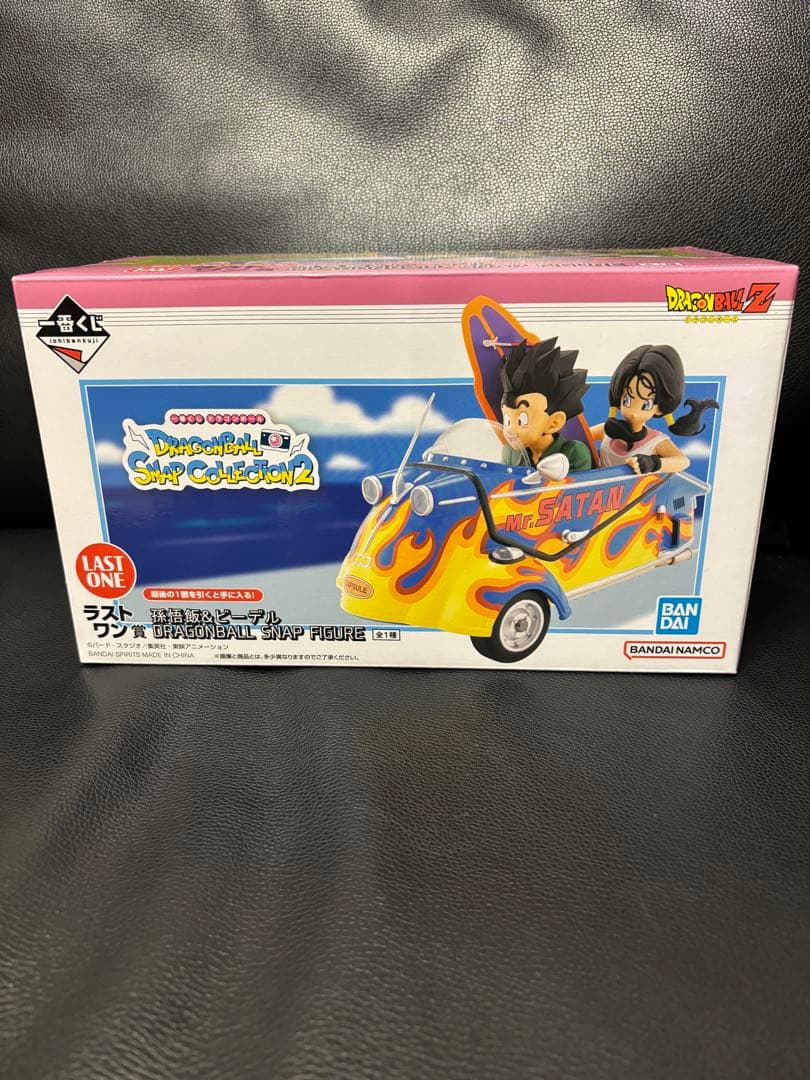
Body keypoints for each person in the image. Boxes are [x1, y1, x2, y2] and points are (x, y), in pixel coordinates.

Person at [590, 344, 718, 474]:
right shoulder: (606, 430)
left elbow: (683, 461)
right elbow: (581, 436)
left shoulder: (654, 441)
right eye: (627, 400)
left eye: (646, 405)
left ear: (659, 408)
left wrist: (654, 463)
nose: (633, 413)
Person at [500, 338, 591, 470]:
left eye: (522, 421)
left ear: (554, 422)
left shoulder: (573, 453)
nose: (510, 430)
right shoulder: (510, 453)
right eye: (507, 420)